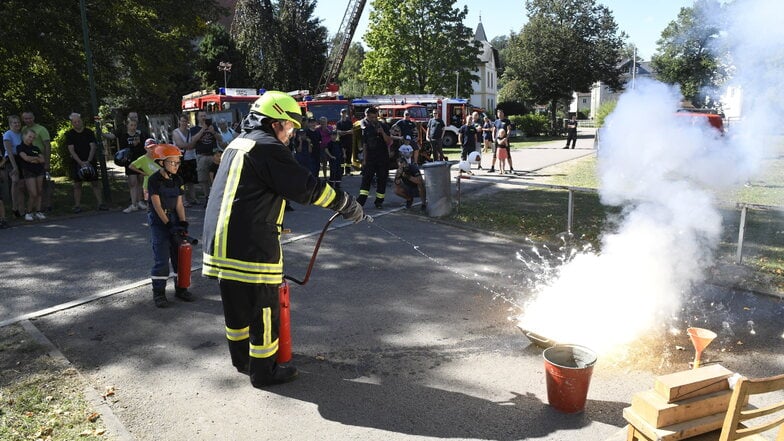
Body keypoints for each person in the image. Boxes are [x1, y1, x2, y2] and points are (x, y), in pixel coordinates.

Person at [202, 91, 365, 388]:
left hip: (219, 241)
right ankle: (264, 371)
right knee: (264, 307)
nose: (291, 134)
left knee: (236, 305)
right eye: (290, 126)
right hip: (250, 244)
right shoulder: (267, 148)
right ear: (276, 122)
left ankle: (242, 360)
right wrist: (345, 203)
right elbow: (305, 188)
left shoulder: (237, 144)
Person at [146, 144, 193, 307]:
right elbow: (157, 206)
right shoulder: (154, 180)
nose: (176, 166)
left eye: (178, 162)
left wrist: (182, 223)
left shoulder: (178, 180)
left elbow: (179, 204)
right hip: (159, 220)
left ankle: (181, 289)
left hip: (173, 217)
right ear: (161, 163)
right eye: (172, 162)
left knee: (179, 256)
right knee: (162, 259)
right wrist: (168, 225)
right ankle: (159, 293)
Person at [65, 113, 106, 212]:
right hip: (76, 162)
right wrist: (80, 162)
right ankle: (77, 206)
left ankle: (101, 204)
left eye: (78, 121)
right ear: (72, 123)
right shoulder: (69, 134)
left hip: (90, 160)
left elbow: (93, 146)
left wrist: (88, 161)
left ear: (81, 121)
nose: (77, 123)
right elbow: (71, 149)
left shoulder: (89, 132)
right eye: (75, 122)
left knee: (95, 183)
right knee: (77, 184)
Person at [357, 107, 392, 209]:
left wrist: (382, 133)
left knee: (382, 179)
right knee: (366, 179)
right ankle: (361, 201)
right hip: (371, 158)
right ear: (367, 116)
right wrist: (364, 159)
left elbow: (389, 141)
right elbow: (365, 144)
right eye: (370, 117)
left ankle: (379, 201)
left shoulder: (384, 126)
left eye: (374, 117)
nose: (373, 119)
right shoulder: (366, 128)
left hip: (382, 157)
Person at [21, 111, 53, 212]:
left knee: (44, 185)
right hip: (28, 163)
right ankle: (35, 207)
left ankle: (47, 205)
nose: (28, 120)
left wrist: (47, 162)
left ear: (33, 118)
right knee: (32, 187)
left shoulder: (41, 129)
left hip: (40, 160)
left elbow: (47, 146)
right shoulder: (24, 129)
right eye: (25, 118)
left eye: (29, 118)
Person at [117, 118, 147, 213]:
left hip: (140, 161)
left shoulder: (140, 135)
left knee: (140, 181)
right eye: (131, 125)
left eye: (134, 125)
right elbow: (123, 150)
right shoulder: (124, 136)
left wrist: (139, 144)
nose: (133, 127)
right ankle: (133, 204)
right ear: (127, 126)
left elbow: (144, 149)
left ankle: (140, 201)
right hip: (130, 162)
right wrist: (132, 145)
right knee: (133, 182)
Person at [190, 111, 220, 203]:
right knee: (203, 179)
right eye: (201, 116)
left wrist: (213, 132)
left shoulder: (213, 126)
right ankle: (207, 197)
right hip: (201, 156)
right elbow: (193, 141)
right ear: (197, 118)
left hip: (214, 155)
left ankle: (216, 197)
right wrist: (203, 129)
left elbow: (220, 139)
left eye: (204, 116)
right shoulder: (194, 129)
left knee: (216, 177)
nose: (203, 117)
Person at [16, 128, 46, 221]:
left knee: (39, 191)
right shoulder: (20, 147)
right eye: (29, 136)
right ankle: (28, 212)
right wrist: (36, 159)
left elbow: (42, 160)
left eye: (33, 137)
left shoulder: (36, 148)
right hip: (28, 171)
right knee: (33, 193)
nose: (31, 139)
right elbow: (25, 158)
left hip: (39, 171)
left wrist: (33, 159)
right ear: (24, 136)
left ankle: (38, 211)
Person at [172, 115, 199, 206]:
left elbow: (194, 144)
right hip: (180, 159)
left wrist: (189, 145)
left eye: (185, 121)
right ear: (179, 121)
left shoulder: (190, 132)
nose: (184, 123)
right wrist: (190, 145)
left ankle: (193, 198)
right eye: (182, 121)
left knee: (191, 180)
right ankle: (183, 200)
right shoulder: (176, 132)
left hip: (191, 157)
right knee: (181, 181)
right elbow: (180, 144)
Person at [128, 139, 161, 205]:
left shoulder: (159, 156)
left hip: (159, 184)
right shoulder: (142, 159)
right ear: (145, 148)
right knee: (149, 203)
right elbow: (131, 166)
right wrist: (142, 173)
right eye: (150, 147)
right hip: (147, 185)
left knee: (160, 203)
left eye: (154, 147)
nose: (152, 149)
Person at [394, 144, 426, 211]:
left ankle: (424, 203)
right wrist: (398, 175)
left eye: (403, 164)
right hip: (408, 187)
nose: (402, 166)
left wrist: (406, 176)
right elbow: (397, 183)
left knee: (421, 185)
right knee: (397, 190)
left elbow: (419, 181)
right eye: (400, 164)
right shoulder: (399, 170)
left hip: (417, 188)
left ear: (406, 163)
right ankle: (409, 199)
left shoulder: (413, 168)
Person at [3, 115, 24, 218]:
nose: (17, 124)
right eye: (14, 123)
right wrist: (15, 166)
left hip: (21, 158)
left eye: (18, 122)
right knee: (15, 181)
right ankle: (14, 207)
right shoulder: (7, 135)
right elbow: (9, 152)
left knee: (21, 185)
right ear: (10, 124)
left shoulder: (21, 134)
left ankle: (21, 209)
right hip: (11, 159)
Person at [491, 109, 514, 173]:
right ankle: (492, 167)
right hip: (497, 140)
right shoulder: (496, 121)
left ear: (503, 114)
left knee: (508, 154)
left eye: (501, 113)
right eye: (498, 113)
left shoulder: (507, 121)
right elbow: (494, 130)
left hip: (505, 140)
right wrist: (493, 137)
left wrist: (506, 137)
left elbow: (509, 130)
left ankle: (511, 168)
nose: (499, 115)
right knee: (495, 154)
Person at [335, 108, 354, 174]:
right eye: (343, 112)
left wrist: (344, 132)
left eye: (345, 113)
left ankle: (348, 171)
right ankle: (341, 171)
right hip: (342, 142)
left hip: (349, 142)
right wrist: (347, 132)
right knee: (342, 158)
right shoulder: (338, 123)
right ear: (340, 113)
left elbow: (352, 131)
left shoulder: (349, 122)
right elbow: (338, 132)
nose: (344, 114)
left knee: (348, 157)